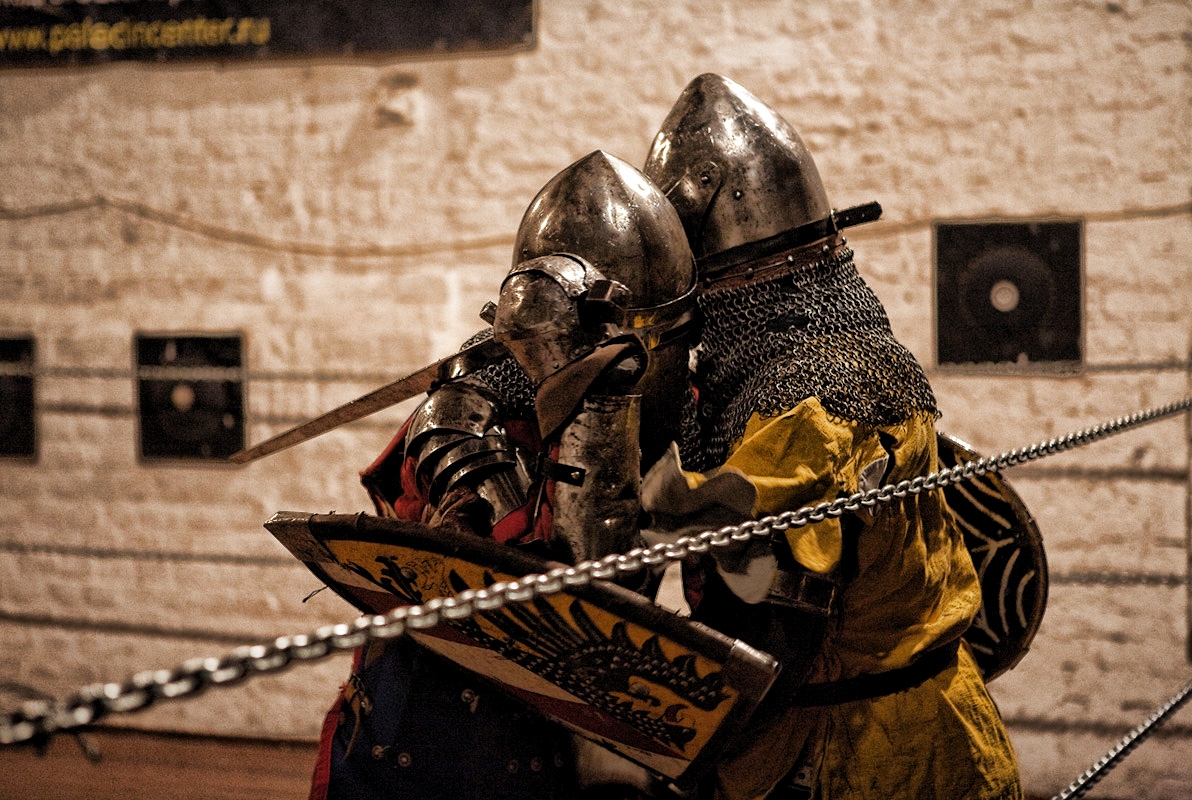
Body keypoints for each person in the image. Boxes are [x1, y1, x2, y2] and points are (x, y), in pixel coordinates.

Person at [638, 73, 1023, 799]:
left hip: (864, 760)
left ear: (714, 277)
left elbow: (770, 642)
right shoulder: (855, 362)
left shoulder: (805, 404)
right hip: (937, 728)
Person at [309, 150, 697, 800]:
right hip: (439, 734)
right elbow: (564, 578)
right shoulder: (465, 417)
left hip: (573, 726)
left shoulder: (683, 405)